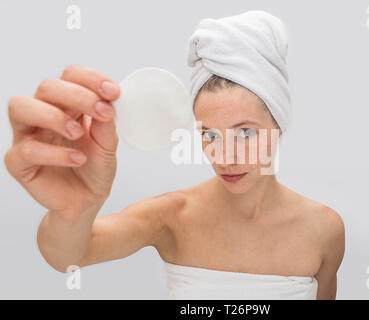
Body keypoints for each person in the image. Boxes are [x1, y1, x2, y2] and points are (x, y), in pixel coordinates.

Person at [4, 11, 344, 300]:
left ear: (279, 125)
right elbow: (68, 256)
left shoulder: (324, 230)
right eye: (210, 134)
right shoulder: (171, 217)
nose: (225, 157)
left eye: (245, 132)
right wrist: (73, 211)